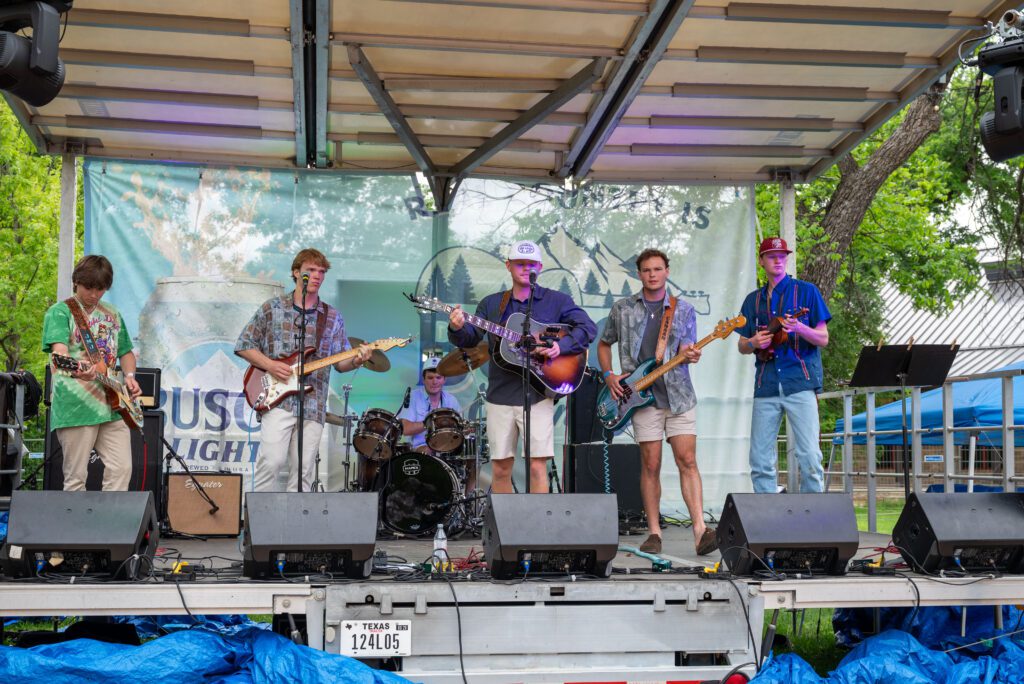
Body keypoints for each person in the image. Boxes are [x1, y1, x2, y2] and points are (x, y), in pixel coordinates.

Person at [448, 240, 597, 494]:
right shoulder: (493, 304)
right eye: (520, 264)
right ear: (509, 266)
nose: (526, 268)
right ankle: (508, 529)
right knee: (501, 468)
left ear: (539, 266)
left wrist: (562, 347)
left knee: (538, 466)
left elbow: (588, 328)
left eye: (531, 264)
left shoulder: (557, 301)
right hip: (500, 395)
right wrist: (457, 326)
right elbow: (471, 338)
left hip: (537, 395)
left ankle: (538, 528)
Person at [598, 248, 715, 555]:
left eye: (658, 269)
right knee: (650, 465)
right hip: (639, 397)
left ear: (667, 271)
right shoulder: (622, 308)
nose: (652, 274)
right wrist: (609, 375)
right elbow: (603, 343)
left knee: (687, 461)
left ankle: (701, 531)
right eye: (647, 270)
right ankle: (653, 533)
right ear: (639, 274)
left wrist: (693, 354)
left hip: (678, 396)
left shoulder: (684, 310)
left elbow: (688, 349)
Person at [235, 248, 371, 492]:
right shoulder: (272, 308)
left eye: (321, 271)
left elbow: (340, 363)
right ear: (296, 272)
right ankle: (259, 526)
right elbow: (244, 345)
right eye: (311, 270)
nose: (317, 275)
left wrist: (358, 360)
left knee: (303, 473)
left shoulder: (332, 317)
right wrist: (271, 365)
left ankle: (296, 528)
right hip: (277, 401)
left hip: (313, 403)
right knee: (271, 463)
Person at [737, 237, 831, 493]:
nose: (778, 260)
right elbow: (742, 345)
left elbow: (823, 338)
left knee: (810, 455)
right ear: (761, 261)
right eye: (771, 256)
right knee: (759, 459)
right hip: (765, 384)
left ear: (787, 259)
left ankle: (814, 516)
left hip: (800, 383)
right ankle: (768, 518)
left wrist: (799, 327)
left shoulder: (807, 291)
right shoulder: (752, 300)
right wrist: (754, 342)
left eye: (782, 255)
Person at [42, 255, 142, 491]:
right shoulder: (60, 312)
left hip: (113, 405)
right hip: (77, 405)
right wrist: (79, 371)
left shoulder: (113, 314)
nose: (95, 294)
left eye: (101, 289)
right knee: (76, 478)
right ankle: (77, 528)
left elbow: (126, 352)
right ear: (76, 281)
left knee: (122, 469)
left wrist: (129, 378)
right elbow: (60, 354)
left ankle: (109, 525)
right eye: (89, 288)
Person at [399, 357, 463, 453]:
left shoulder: (451, 400)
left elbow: (460, 429)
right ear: (423, 379)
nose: (434, 382)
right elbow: (406, 429)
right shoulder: (413, 396)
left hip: (447, 448)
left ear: (444, 379)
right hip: (419, 449)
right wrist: (432, 423)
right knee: (430, 451)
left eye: (438, 377)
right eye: (430, 378)